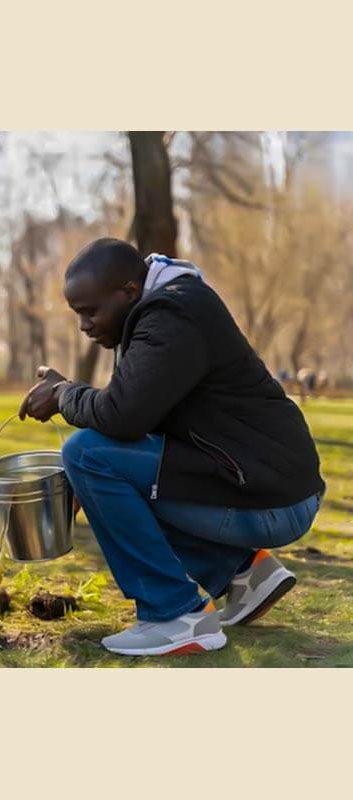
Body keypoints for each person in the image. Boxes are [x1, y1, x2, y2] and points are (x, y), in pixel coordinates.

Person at [20, 238, 324, 657]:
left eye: (91, 311)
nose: (85, 326)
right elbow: (134, 420)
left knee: (85, 454)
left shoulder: (171, 315)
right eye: (78, 314)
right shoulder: (163, 311)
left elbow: (120, 416)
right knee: (97, 463)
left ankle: (175, 616)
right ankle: (242, 575)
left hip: (272, 500)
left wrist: (64, 395)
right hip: (271, 486)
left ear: (128, 291)